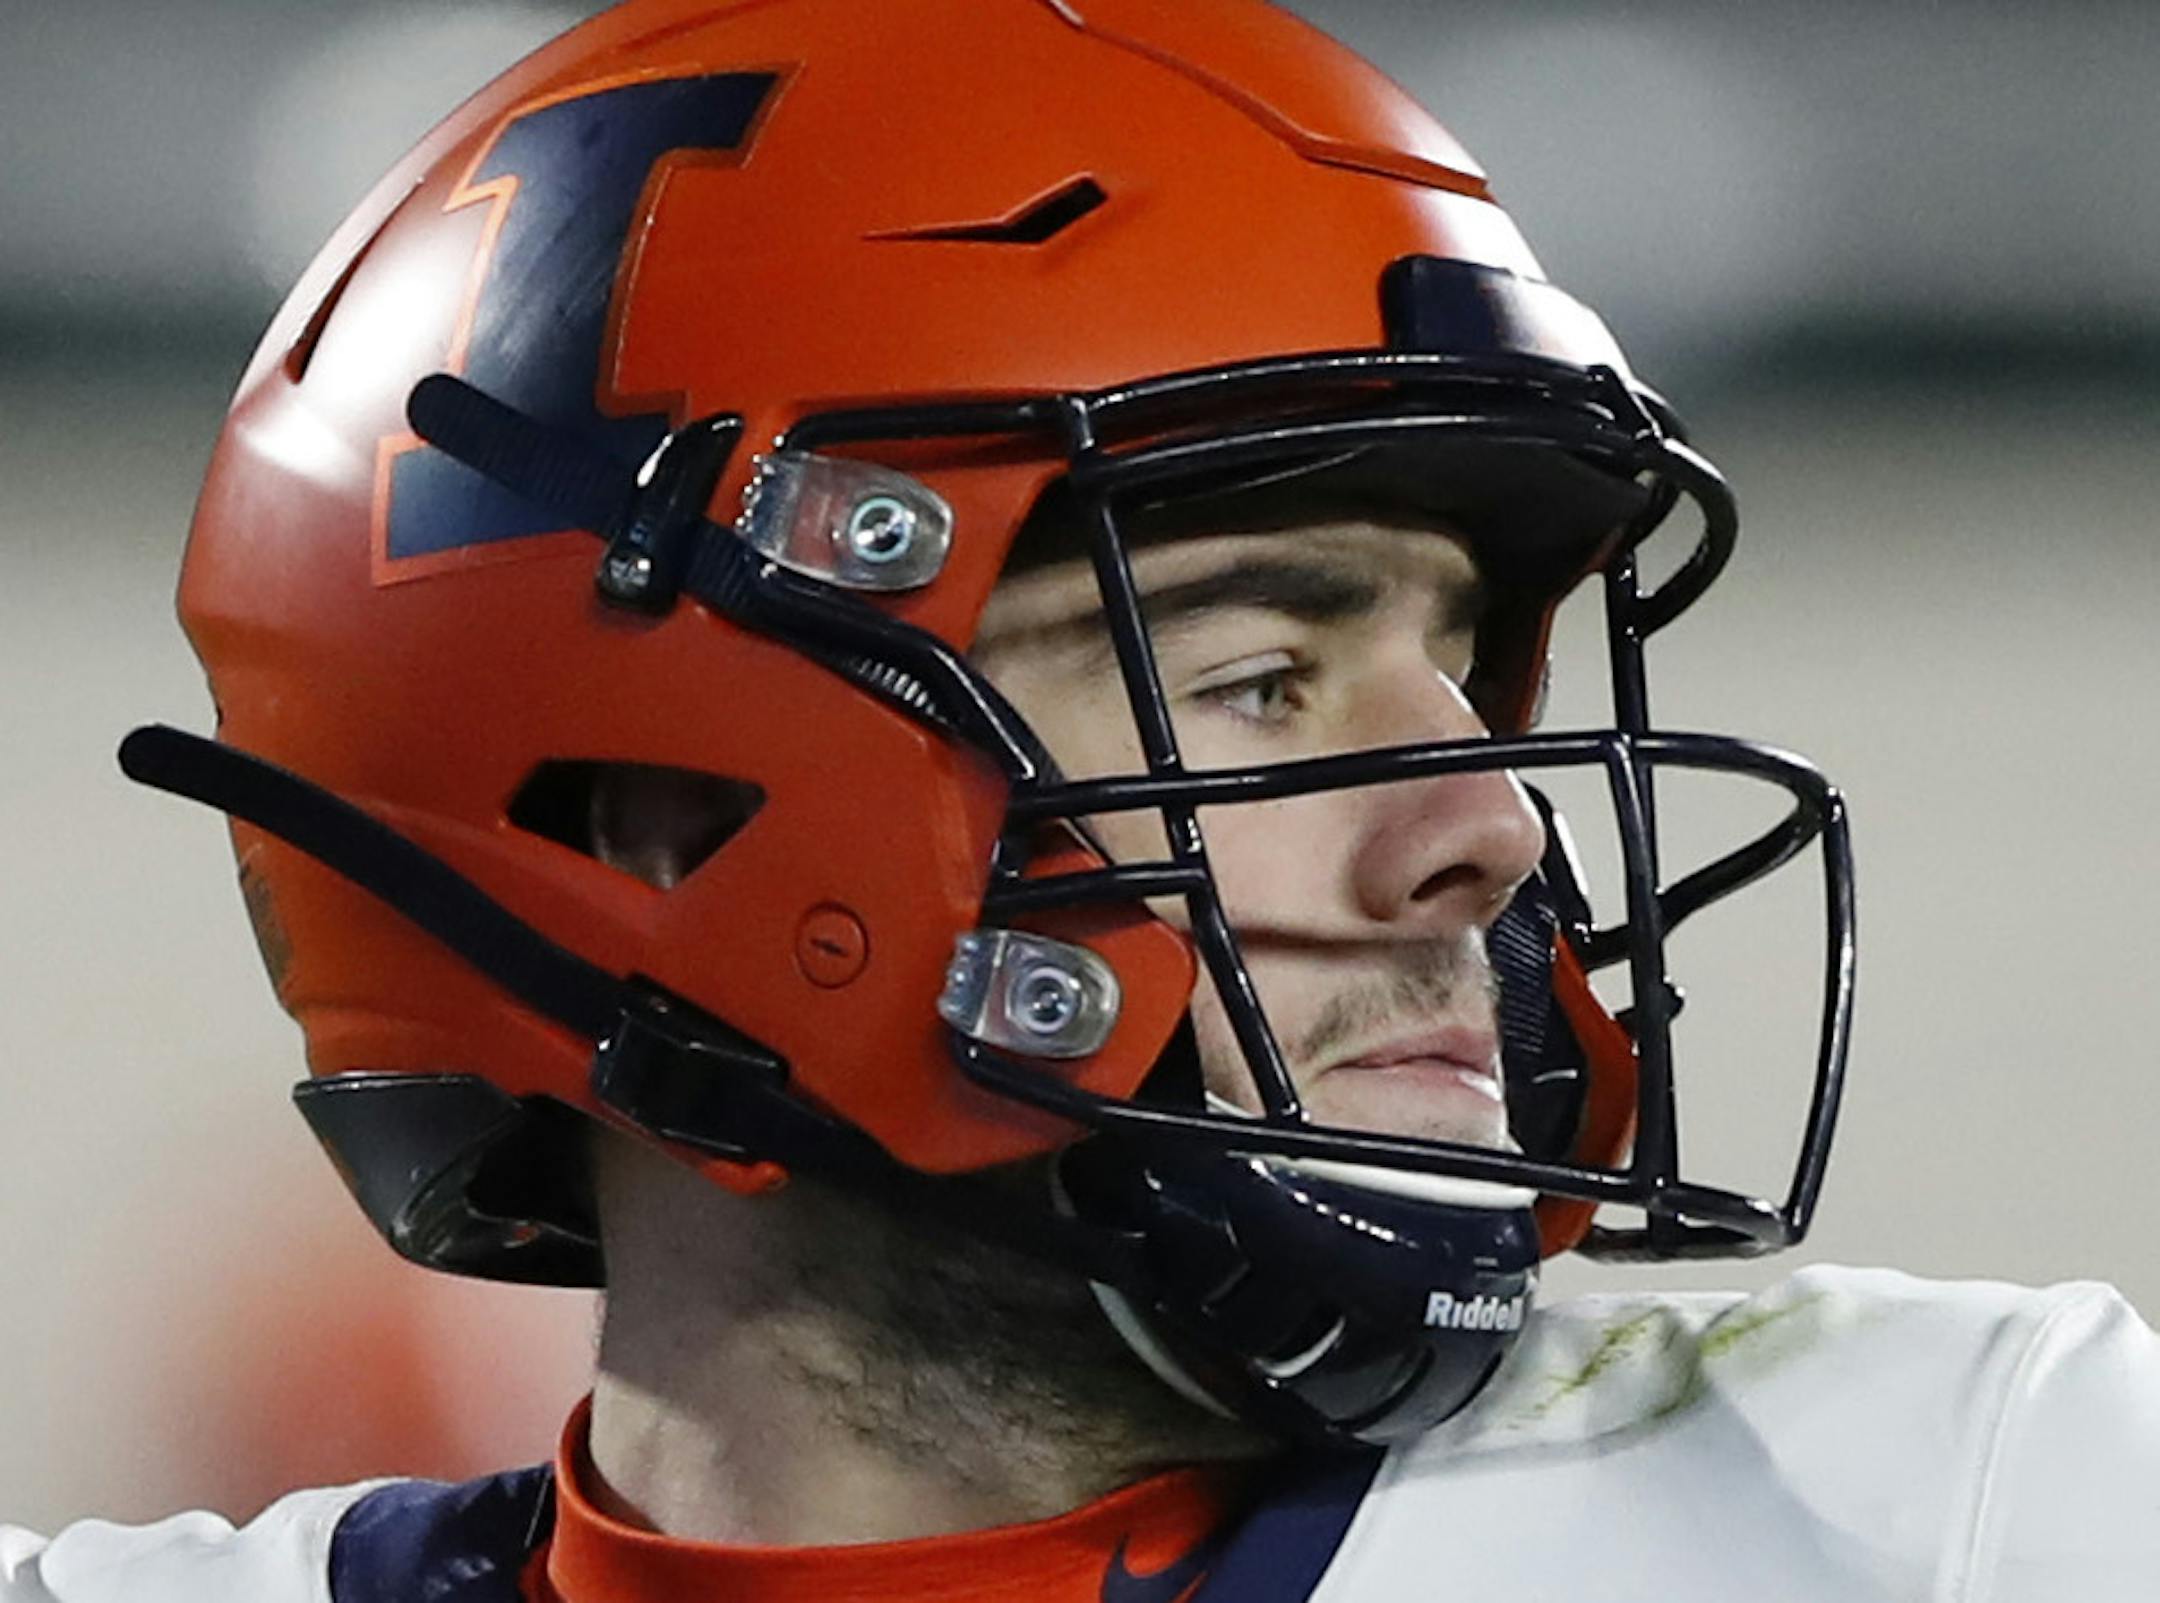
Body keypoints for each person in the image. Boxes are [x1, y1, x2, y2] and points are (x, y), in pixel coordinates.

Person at [6, 0, 2157, 1598]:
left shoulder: (1974, 1503)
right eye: (1248, 675)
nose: (1488, 829)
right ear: (644, 825)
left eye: (1464, 673)